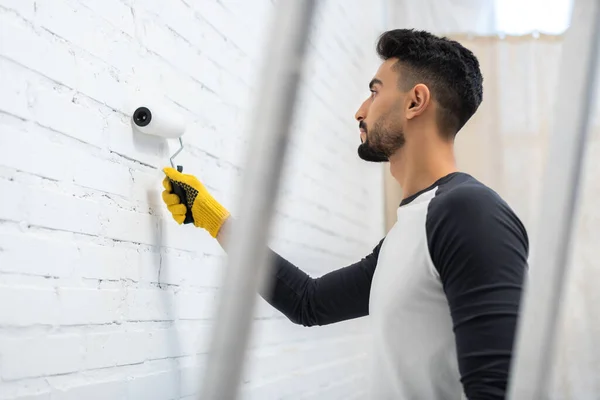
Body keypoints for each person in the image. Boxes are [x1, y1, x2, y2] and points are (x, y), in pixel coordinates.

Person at [160, 29, 529, 400]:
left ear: (415, 101)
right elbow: (309, 302)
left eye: (375, 90)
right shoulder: (413, 227)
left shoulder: (468, 212)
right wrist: (212, 217)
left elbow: (499, 387)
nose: (360, 111)